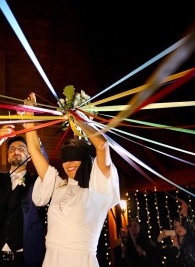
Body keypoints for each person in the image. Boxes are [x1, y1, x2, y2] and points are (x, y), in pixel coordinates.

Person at [22, 92, 120, 267]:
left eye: (74, 157)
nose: (69, 164)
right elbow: (35, 151)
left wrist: (77, 117)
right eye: (65, 159)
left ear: (85, 159)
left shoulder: (99, 189)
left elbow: (102, 146)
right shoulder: (58, 185)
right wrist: (30, 115)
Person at [0, 123, 48, 267]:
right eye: (12, 149)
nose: (16, 151)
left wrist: (32, 134)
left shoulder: (36, 181)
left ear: (30, 157)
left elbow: (45, 165)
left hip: (24, 259)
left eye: (21, 149)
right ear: (7, 157)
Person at [157, 198, 195, 267]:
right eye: (176, 226)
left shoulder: (192, 240)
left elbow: (190, 231)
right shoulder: (176, 248)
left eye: (180, 225)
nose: (178, 228)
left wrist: (185, 214)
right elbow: (159, 253)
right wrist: (160, 238)